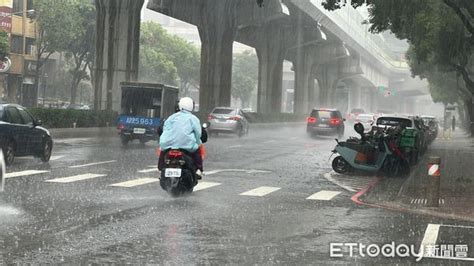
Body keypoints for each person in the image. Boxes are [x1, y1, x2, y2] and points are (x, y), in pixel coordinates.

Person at [158, 97, 203, 174]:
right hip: (187, 146)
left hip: (168, 145)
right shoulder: (193, 119)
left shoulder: (171, 117)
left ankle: (160, 168)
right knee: (197, 151)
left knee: (162, 151)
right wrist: (198, 142)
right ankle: (199, 169)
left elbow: (165, 129)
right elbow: (198, 133)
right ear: (191, 107)